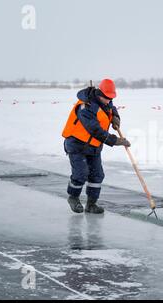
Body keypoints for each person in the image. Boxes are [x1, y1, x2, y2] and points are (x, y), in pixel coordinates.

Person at [62, 79, 131, 214]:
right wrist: (115, 140)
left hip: (93, 146)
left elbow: (111, 107)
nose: (108, 100)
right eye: (106, 98)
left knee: (97, 175)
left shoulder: (105, 101)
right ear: (99, 94)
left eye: (111, 98)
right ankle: (73, 198)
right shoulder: (85, 107)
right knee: (81, 174)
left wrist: (116, 117)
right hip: (77, 144)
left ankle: (91, 204)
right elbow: (94, 130)